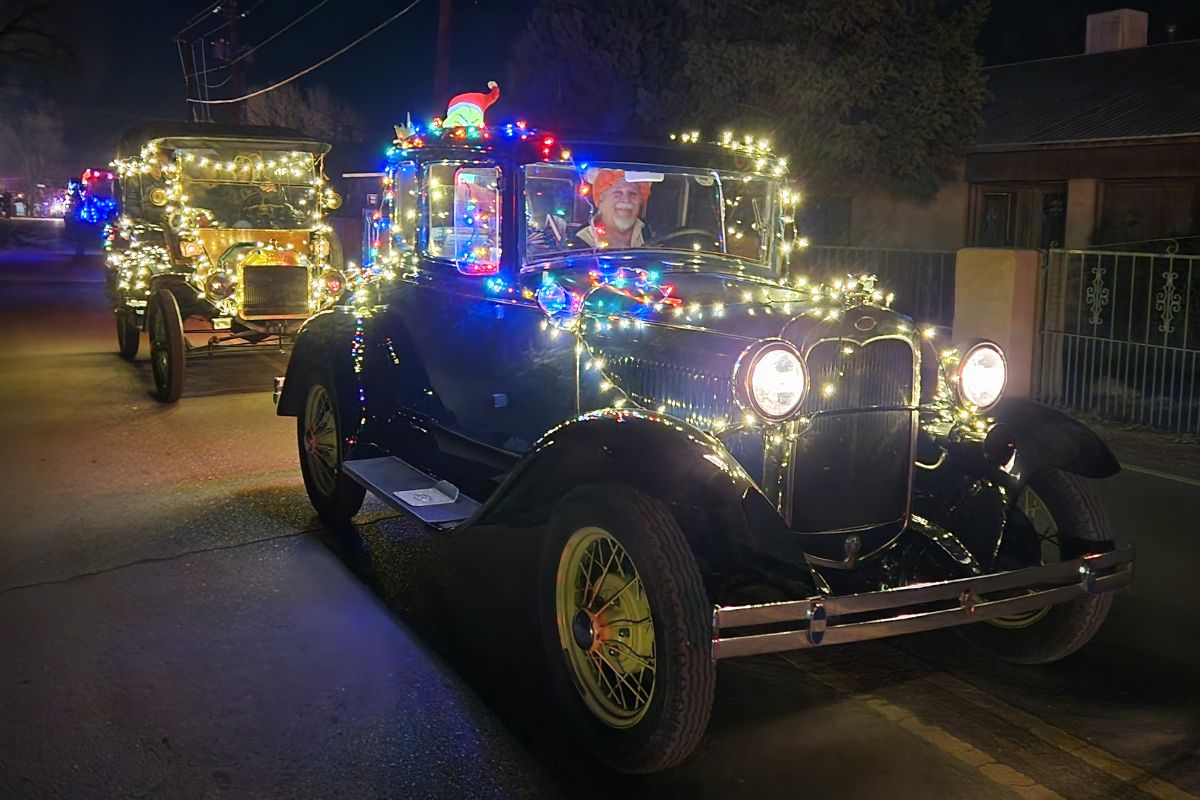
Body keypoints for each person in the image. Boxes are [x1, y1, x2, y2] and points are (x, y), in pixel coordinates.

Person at [561, 168, 653, 250]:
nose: (626, 199)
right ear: (601, 198)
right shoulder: (577, 243)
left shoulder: (652, 232)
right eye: (618, 193)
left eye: (632, 193)